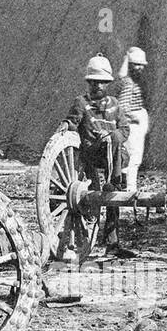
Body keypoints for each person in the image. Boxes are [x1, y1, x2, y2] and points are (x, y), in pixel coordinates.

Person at [57, 56, 129, 251]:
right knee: (110, 148)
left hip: (114, 156)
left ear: (107, 83)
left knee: (114, 141)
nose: (98, 86)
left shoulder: (115, 104)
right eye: (94, 82)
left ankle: (112, 243)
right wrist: (66, 124)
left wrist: (113, 136)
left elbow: (125, 129)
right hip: (93, 153)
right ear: (88, 83)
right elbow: (73, 121)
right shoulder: (81, 102)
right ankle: (111, 186)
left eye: (102, 82)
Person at [117, 47, 150, 194]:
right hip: (132, 125)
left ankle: (127, 186)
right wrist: (134, 117)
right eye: (137, 64)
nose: (140, 68)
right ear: (130, 65)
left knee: (132, 158)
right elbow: (123, 107)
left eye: (141, 65)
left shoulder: (132, 82)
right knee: (133, 158)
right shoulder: (128, 83)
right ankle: (130, 188)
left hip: (136, 123)